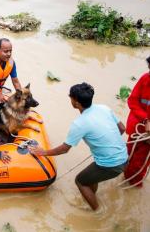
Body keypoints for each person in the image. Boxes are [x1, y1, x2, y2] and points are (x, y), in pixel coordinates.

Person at [29, 82, 128, 211]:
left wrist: (43, 152)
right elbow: (122, 128)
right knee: (90, 177)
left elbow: (65, 149)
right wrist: (107, 144)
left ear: (75, 102)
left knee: (80, 181)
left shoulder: (79, 123)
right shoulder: (104, 108)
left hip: (111, 165)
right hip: (124, 158)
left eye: (71, 97)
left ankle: (97, 211)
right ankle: (92, 195)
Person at [123, 56, 150, 187]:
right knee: (127, 156)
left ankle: (134, 186)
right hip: (137, 130)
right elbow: (132, 101)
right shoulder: (145, 78)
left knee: (139, 165)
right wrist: (146, 120)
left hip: (148, 138)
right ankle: (125, 179)